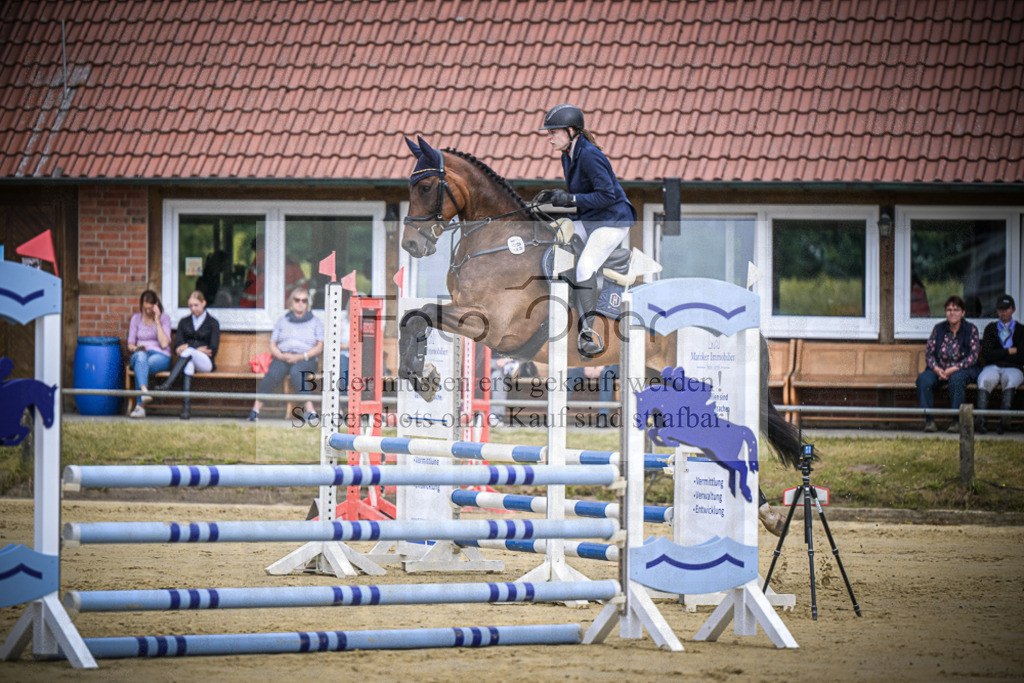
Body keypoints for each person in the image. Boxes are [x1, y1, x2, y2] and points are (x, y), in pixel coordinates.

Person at [534, 104, 637, 358]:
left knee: (585, 266)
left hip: (612, 221)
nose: (549, 137)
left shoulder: (589, 155)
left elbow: (606, 195)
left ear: (571, 131)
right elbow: (581, 197)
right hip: (591, 219)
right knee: (556, 240)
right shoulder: (567, 154)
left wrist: (570, 200)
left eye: (553, 132)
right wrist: (554, 201)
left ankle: (588, 333)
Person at [247, 287, 323, 423]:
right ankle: (255, 411)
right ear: (291, 302)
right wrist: (280, 355)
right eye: (297, 300)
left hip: (306, 358)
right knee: (272, 374)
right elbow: (272, 343)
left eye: (304, 301)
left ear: (308, 304)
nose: (300, 303)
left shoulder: (315, 321)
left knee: (296, 372)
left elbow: (320, 345)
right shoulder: (282, 321)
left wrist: (302, 356)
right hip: (283, 357)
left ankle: (311, 412)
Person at [915, 295, 981, 432]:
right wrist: (936, 369)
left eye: (956, 310)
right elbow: (929, 354)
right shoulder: (938, 329)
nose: (952, 313)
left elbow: (973, 356)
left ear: (963, 313)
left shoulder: (971, 329)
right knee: (923, 380)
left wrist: (953, 369)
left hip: (962, 370)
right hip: (939, 370)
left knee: (956, 380)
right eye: (949, 309)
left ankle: (956, 422)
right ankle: (929, 421)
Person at [156, 290, 220, 420]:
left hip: (205, 362)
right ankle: (185, 411)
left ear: (204, 303)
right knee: (188, 364)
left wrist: (190, 347)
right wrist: (191, 348)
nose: (193, 308)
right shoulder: (184, 322)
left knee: (188, 351)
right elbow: (177, 346)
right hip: (188, 360)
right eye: (190, 306)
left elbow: (212, 349)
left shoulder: (213, 323)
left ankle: (167, 384)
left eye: (196, 305)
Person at [976, 295, 1023, 434]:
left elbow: (1021, 356)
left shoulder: (1021, 330)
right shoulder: (991, 329)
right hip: (993, 366)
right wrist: (1008, 351)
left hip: (1014, 368)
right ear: (997, 310)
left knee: (1010, 381)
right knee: (984, 379)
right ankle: (981, 422)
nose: (1003, 312)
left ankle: (1003, 423)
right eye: (1001, 309)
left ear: (1013, 309)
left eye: (1007, 309)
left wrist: (999, 354)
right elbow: (987, 355)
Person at [126, 290, 172, 418]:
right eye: (144, 308)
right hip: (141, 353)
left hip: (160, 356)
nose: (147, 311)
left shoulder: (164, 318)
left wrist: (157, 320)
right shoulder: (136, 319)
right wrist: (136, 348)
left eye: (150, 308)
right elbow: (130, 344)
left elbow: (164, 344)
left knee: (141, 366)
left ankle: (140, 407)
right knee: (141, 359)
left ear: (156, 304)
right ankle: (145, 392)